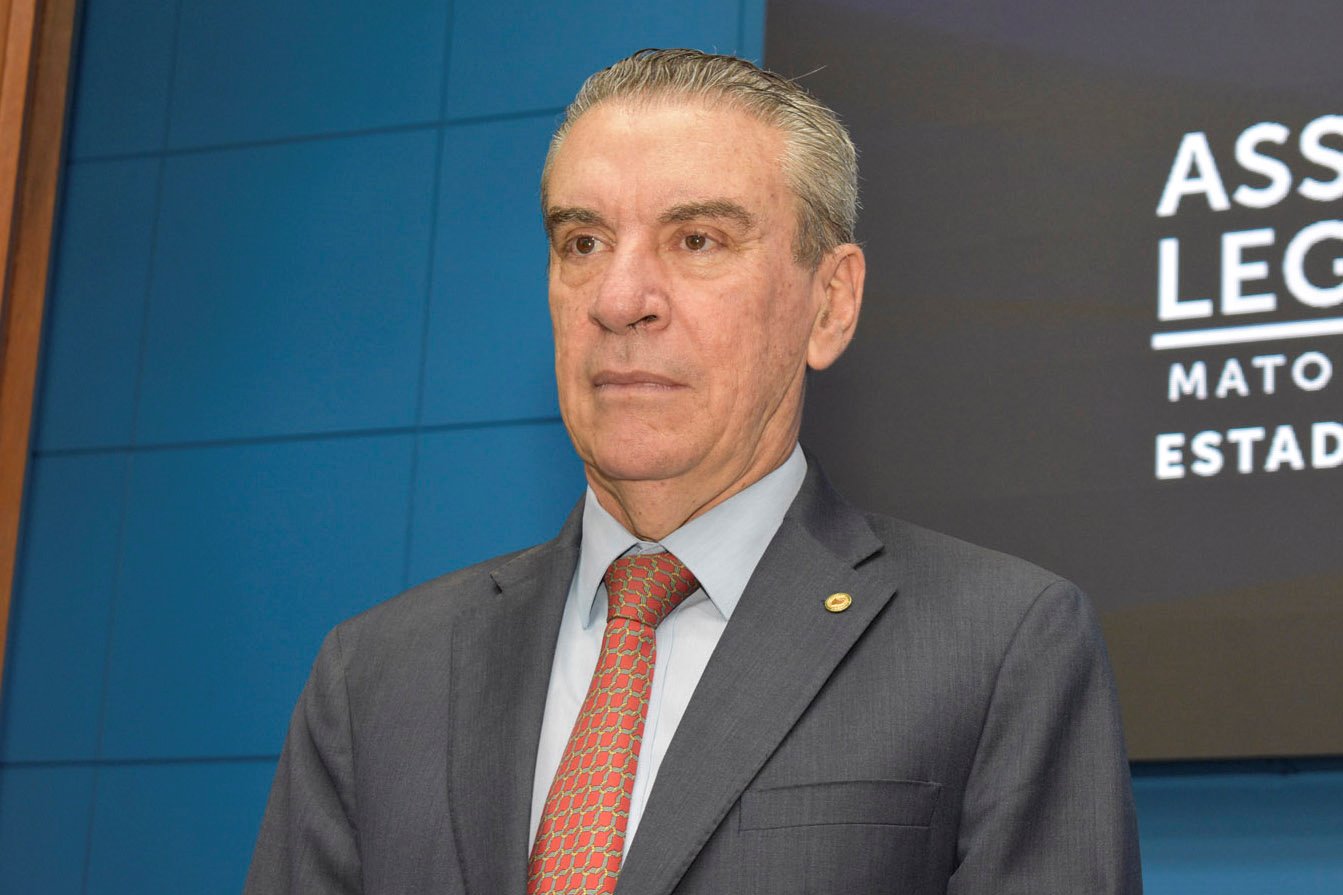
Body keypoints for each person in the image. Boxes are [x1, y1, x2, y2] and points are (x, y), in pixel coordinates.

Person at [246, 49, 1141, 894]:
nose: (618, 298)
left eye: (698, 240)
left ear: (829, 304)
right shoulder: (376, 675)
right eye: (583, 242)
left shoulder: (999, 646)